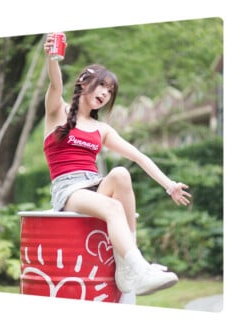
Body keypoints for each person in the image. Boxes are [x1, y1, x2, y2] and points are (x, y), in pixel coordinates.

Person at [42, 33, 192, 297]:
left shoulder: (102, 129)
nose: (105, 93)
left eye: (111, 91)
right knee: (113, 207)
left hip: (93, 184)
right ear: (84, 82)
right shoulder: (58, 111)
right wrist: (53, 58)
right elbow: (55, 84)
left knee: (121, 173)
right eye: (102, 85)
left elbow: (139, 156)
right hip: (67, 189)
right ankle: (140, 268)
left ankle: (127, 267)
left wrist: (169, 186)